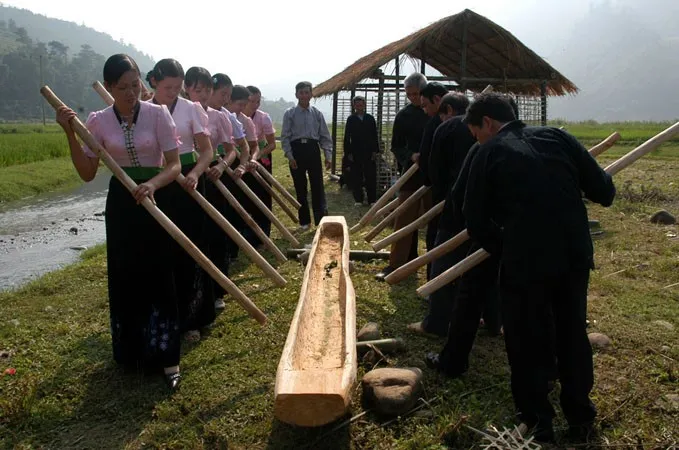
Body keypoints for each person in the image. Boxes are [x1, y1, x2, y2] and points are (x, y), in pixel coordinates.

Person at [461, 93, 615, 442]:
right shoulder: (558, 137)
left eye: (475, 133)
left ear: (487, 123)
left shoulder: (486, 153)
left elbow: (474, 220)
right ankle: (580, 418)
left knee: (525, 338)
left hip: (526, 260)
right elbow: (604, 191)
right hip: (574, 254)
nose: (477, 140)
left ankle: (537, 422)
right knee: (572, 332)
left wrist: (507, 246)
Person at [56, 54, 183, 389]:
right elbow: (86, 173)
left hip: (155, 198)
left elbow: (173, 165)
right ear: (109, 88)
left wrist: (153, 184)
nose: (131, 92)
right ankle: (132, 354)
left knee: (160, 274)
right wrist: (70, 132)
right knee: (126, 274)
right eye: (123, 87)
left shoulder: (158, 115)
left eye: (135, 84)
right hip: (121, 206)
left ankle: (168, 359)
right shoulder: (97, 122)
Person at [146, 59, 217, 342]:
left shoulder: (191, 109)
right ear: (154, 83)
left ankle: (193, 318)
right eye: (168, 87)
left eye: (178, 88)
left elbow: (207, 151)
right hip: (158, 182)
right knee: (161, 250)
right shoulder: (144, 109)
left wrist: (196, 174)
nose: (173, 92)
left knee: (192, 248)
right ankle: (165, 314)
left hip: (187, 181)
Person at [407, 91, 478, 337]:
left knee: (443, 257)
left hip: (451, 204)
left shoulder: (446, 129)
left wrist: (436, 187)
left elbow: (433, 171)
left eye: (432, 109)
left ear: (445, 108)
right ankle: (489, 319)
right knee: (477, 259)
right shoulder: (484, 130)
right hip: (482, 208)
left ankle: (437, 322)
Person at [184, 67, 236, 310]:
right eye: (197, 90)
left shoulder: (219, 117)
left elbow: (231, 149)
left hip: (212, 176)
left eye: (207, 90)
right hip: (184, 175)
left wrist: (222, 166)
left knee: (214, 232)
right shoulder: (175, 112)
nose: (202, 95)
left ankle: (216, 291)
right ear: (187, 89)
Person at [375, 73, 429, 281]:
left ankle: (435, 266)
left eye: (417, 94)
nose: (414, 98)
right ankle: (398, 263)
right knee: (405, 218)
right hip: (411, 173)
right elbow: (396, 146)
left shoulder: (435, 112)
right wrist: (411, 155)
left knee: (435, 221)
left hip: (434, 174)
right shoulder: (404, 115)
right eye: (409, 94)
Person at [280, 81, 332, 230]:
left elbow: (325, 136)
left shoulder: (317, 114)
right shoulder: (289, 114)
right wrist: (290, 156)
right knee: (300, 186)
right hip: (297, 151)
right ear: (296, 94)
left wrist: (328, 155)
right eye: (301, 92)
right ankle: (304, 221)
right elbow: (285, 137)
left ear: (311, 94)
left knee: (317, 185)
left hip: (312, 149)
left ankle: (320, 219)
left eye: (306, 92)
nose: (304, 95)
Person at [245, 86, 277, 239]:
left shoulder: (263, 117)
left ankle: (263, 232)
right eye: (251, 101)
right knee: (244, 192)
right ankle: (246, 231)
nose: (254, 105)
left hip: (261, 157)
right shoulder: (234, 116)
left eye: (258, 101)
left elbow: (272, 144)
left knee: (262, 192)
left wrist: (256, 156)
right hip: (242, 157)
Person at [343, 95, 379, 206]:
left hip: (369, 151)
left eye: (361, 104)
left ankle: (372, 200)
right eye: (357, 104)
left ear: (364, 105)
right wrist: (348, 153)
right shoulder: (351, 119)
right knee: (356, 176)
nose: (359, 106)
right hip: (355, 151)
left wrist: (375, 151)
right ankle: (358, 199)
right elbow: (347, 137)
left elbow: (374, 136)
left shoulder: (370, 118)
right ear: (354, 106)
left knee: (370, 176)